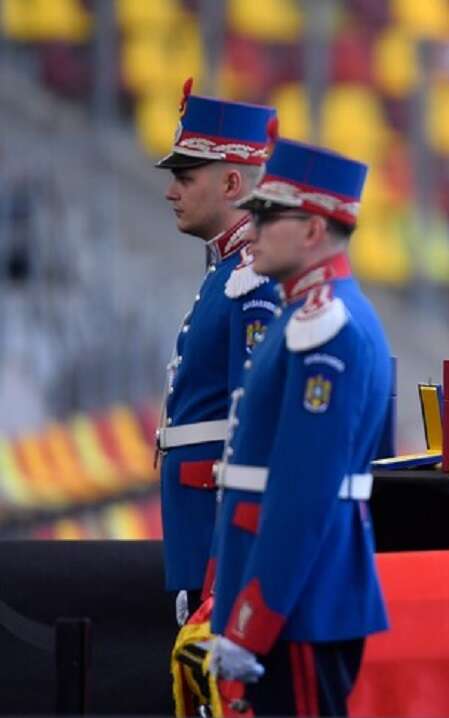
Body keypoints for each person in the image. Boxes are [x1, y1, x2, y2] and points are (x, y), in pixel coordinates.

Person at [207, 139, 391, 716]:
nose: (251, 225)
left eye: (267, 214)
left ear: (313, 230)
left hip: (299, 605)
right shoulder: (300, 313)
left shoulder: (325, 325)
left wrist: (252, 621)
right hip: (288, 598)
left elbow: (303, 494)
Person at [153, 78, 279, 624]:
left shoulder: (251, 279)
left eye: (185, 177)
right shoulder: (227, 273)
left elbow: (251, 437)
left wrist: (225, 570)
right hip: (200, 542)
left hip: (217, 552)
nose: (170, 191)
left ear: (232, 181)